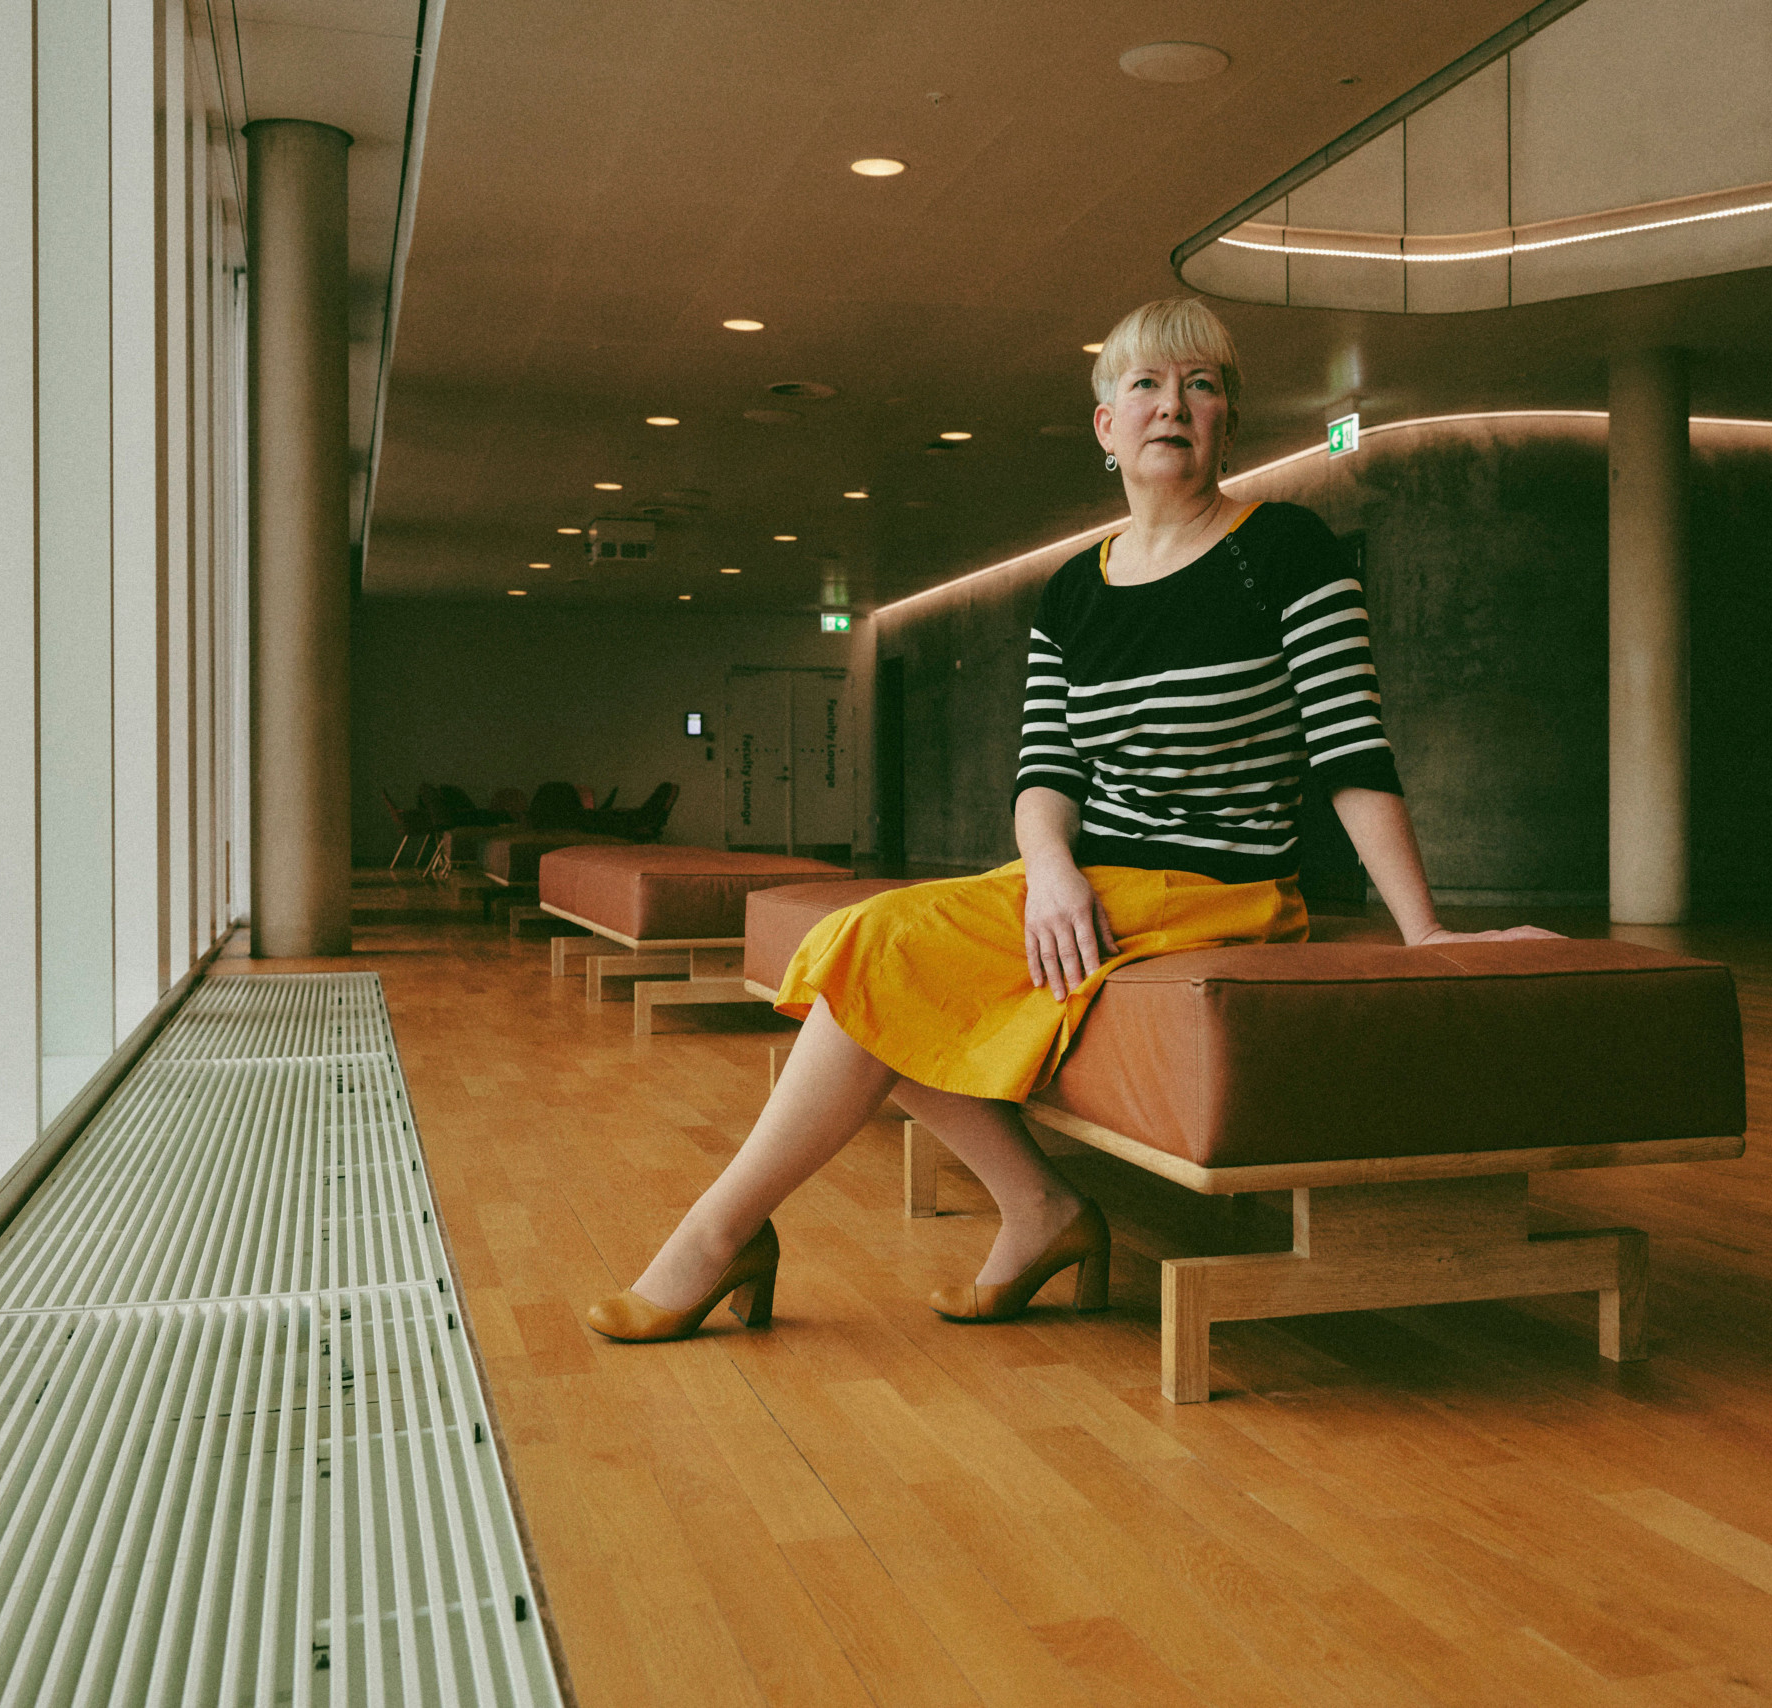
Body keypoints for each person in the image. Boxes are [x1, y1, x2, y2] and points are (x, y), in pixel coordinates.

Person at [585, 297, 1549, 1343]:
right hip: (1089, 875)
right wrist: (1047, 867)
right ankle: (1036, 1210)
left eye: (1200, 384)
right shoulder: (1069, 591)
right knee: (857, 945)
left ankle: (723, 1236)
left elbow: (1351, 748)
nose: (1170, 405)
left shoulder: (1287, 549)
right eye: (1143, 385)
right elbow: (1045, 769)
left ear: (1227, 419)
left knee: (879, 948)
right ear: (1105, 427)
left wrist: (1426, 935)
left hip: (1218, 891)